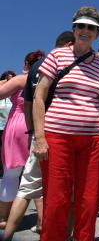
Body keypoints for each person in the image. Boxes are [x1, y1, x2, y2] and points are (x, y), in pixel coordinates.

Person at [33, 7, 99, 241]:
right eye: (81, 26)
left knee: (89, 199)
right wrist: (40, 137)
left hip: (94, 139)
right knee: (57, 199)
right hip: (57, 135)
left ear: (98, 33)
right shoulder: (56, 56)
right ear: (74, 29)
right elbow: (39, 96)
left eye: (92, 27)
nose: (86, 31)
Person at [2, 32, 75, 241]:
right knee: (65, 189)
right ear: (69, 44)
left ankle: (7, 235)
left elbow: (28, 103)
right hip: (61, 132)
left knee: (26, 186)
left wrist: (33, 132)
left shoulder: (35, 68)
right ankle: (61, 234)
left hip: (37, 131)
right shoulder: (66, 64)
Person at [0, 51, 44, 226]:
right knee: (37, 174)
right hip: (39, 124)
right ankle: (42, 221)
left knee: (11, 175)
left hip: (18, 124)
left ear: (26, 64)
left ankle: (4, 218)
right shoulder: (45, 79)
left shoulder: (20, 79)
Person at [0, 71, 16, 177]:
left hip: (10, 127)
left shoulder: (15, 95)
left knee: (7, 151)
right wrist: (7, 81)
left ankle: (5, 171)